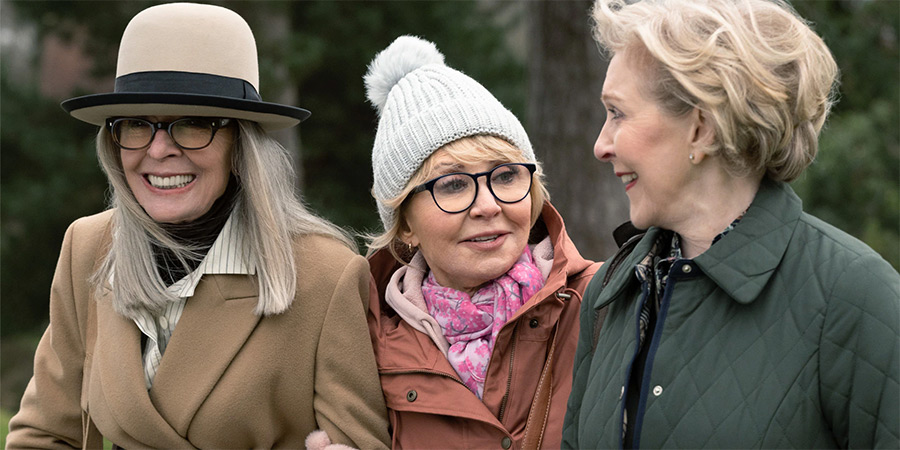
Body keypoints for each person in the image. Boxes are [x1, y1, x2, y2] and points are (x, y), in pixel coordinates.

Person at [6, 3, 389, 448]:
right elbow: (45, 433)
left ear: (240, 142)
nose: (159, 149)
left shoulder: (325, 275)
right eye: (135, 125)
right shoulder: (88, 246)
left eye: (192, 124)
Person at [562, 0, 900, 448]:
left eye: (618, 112)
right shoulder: (611, 294)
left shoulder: (854, 294)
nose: (600, 145)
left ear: (701, 128)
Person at [362, 35, 602, 449]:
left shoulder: (603, 305)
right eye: (453, 184)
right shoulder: (367, 345)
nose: (488, 205)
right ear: (405, 225)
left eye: (506, 176)